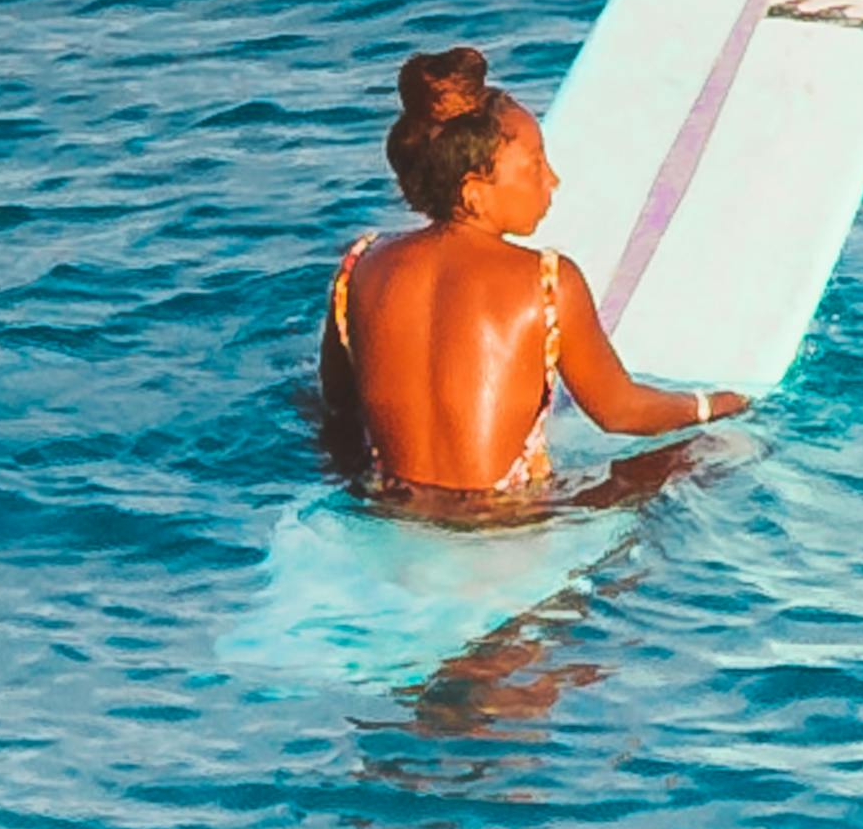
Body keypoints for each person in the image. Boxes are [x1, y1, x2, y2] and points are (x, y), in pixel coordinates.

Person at [314, 48, 747, 518]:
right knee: (720, 449)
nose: (553, 180)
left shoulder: (360, 264)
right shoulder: (547, 280)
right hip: (508, 521)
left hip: (388, 507)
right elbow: (619, 411)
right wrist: (715, 404)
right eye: (535, 165)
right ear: (473, 192)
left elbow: (338, 405)